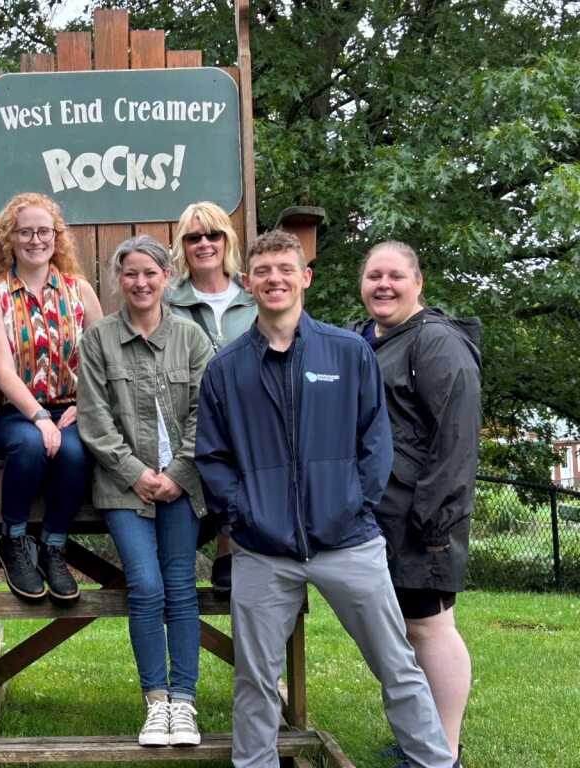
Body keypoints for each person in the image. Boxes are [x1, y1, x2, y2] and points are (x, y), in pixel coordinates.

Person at [195, 231, 456, 768]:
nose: (275, 279)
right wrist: (244, 517)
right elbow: (213, 458)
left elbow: (375, 443)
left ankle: (435, 761)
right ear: (248, 283)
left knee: (396, 663)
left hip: (348, 542)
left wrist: (351, 506)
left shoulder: (349, 351)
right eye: (263, 271)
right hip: (263, 551)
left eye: (286, 269)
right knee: (254, 678)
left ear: (304, 277)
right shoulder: (225, 369)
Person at [78, 235, 213, 747]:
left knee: (180, 588)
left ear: (165, 276)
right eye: (130, 274)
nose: (140, 282)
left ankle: (185, 702)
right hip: (122, 488)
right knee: (146, 587)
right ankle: (155, 702)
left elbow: (208, 413)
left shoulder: (192, 338)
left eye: (150, 273)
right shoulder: (98, 340)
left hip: (182, 486)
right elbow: (93, 419)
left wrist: (178, 473)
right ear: (118, 280)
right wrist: (135, 472)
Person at [352, 241, 481, 764]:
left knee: (431, 626)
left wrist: (434, 521)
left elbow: (456, 439)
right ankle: (422, 739)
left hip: (424, 515)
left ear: (418, 283)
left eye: (395, 276)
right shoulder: (372, 339)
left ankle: (443, 751)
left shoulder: (436, 342)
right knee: (406, 629)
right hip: (381, 511)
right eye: (373, 276)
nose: (384, 285)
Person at [0, 192, 102, 603]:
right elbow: (2, 369)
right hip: (17, 412)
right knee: (31, 445)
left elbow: (102, 361)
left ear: (56, 237)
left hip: (72, 408)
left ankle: (52, 547)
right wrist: (38, 417)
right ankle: (13, 541)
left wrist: (83, 408)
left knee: (75, 452)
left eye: (43, 231)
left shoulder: (78, 290)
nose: (35, 239)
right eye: (24, 231)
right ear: (9, 238)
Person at [166, 201, 256, 595]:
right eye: (193, 237)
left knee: (245, 433)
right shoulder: (166, 300)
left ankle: (229, 545)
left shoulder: (254, 295)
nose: (204, 243)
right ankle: (186, 550)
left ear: (227, 240)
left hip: (249, 411)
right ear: (182, 247)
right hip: (184, 410)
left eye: (213, 234)